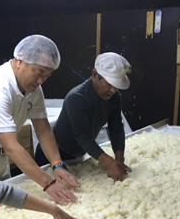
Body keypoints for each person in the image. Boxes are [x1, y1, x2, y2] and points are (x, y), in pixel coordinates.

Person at [0, 35, 80, 205]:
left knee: (6, 208)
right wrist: (48, 183)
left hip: (1, 158)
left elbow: (43, 129)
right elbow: (11, 146)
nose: (41, 81)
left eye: (47, 76)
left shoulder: (34, 89)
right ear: (20, 62)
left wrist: (57, 165)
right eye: (39, 72)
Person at [35, 52, 132, 181]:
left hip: (78, 155)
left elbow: (116, 127)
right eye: (109, 84)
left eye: (116, 86)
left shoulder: (114, 97)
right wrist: (109, 163)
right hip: (53, 155)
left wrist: (119, 160)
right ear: (95, 74)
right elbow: (83, 136)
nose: (113, 90)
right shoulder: (77, 98)